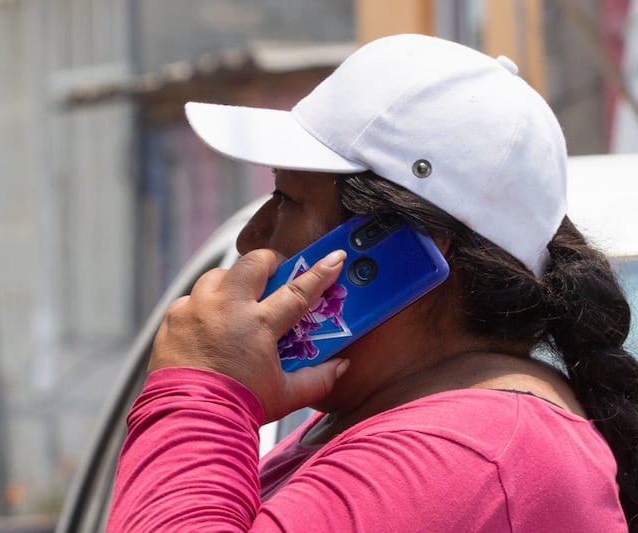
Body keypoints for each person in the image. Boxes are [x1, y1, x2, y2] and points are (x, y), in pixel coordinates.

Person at [106, 34, 637, 531]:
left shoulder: (466, 452)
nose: (253, 237)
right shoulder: (419, 425)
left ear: (405, 247)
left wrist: (203, 388)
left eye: (288, 200)